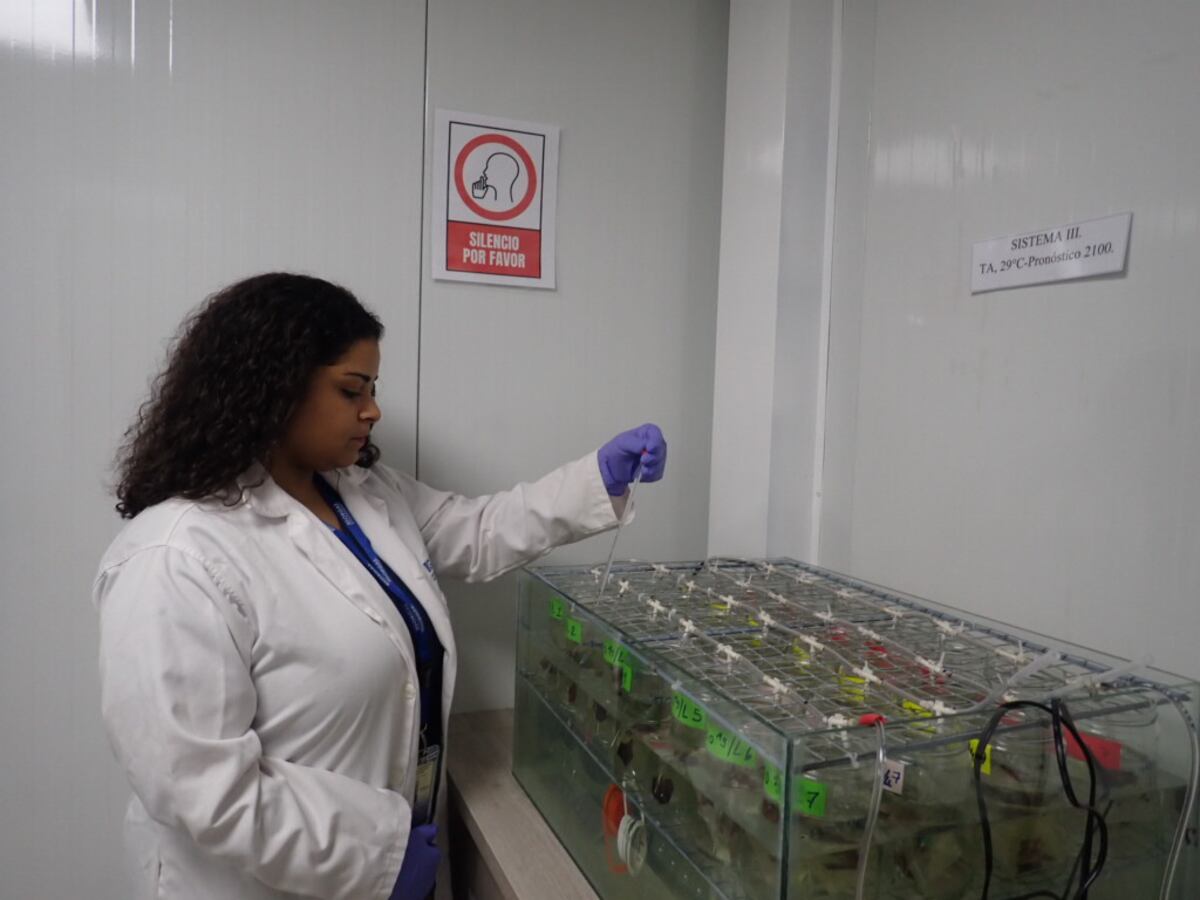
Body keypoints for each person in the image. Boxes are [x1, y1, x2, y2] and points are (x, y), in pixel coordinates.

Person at [93, 272, 667, 900]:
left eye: (372, 388)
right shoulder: (177, 556)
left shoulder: (364, 494)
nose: (372, 410)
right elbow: (198, 786)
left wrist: (597, 480)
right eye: (351, 389)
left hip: (396, 852)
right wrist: (372, 856)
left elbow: (475, 531)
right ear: (274, 387)